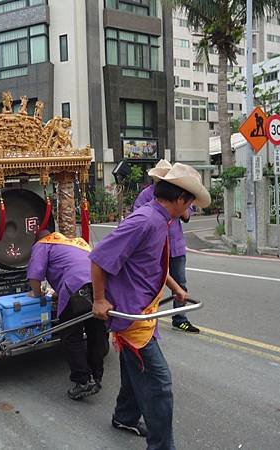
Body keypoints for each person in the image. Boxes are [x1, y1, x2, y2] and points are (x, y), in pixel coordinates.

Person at [90, 163, 210, 449]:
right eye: (190, 202)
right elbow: (98, 258)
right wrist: (98, 299)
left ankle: (124, 416)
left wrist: (176, 288)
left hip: (146, 308)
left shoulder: (162, 220)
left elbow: (153, 263)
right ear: (180, 199)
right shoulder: (145, 221)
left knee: (136, 369)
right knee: (159, 384)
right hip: (132, 316)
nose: (191, 208)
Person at [27, 229, 107, 400]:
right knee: (96, 332)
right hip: (98, 287)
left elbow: (35, 276)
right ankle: (96, 375)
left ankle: (83, 381)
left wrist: (37, 294)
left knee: (71, 336)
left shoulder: (43, 244)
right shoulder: (76, 242)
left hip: (75, 288)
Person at [134, 160, 200, 334]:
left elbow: (186, 216)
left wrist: (178, 202)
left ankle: (180, 318)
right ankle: (147, 317)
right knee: (153, 282)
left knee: (180, 283)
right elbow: (138, 218)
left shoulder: (179, 194)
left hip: (175, 244)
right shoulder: (146, 195)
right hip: (155, 246)